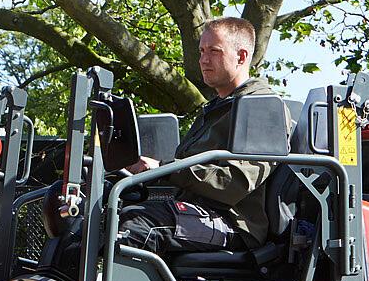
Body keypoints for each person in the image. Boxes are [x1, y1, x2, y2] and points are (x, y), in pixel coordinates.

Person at [118, 17, 281, 254]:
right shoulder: (216, 108)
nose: (204, 60)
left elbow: (235, 183)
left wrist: (165, 168)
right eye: (202, 51)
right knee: (103, 213)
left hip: (232, 224)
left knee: (138, 226)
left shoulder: (260, 107)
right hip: (198, 211)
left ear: (242, 56)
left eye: (214, 51)